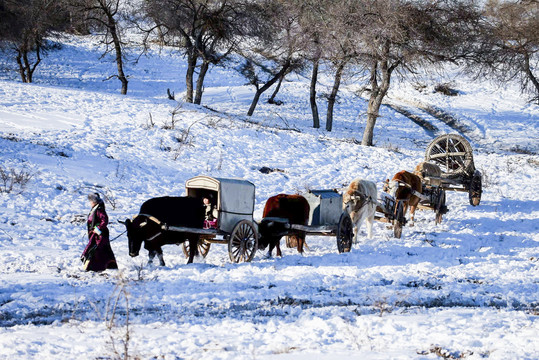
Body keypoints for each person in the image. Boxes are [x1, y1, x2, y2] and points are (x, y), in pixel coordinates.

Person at [81, 193, 118, 271]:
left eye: (91, 201)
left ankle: (95, 267)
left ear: (94, 202)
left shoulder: (99, 209)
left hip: (100, 234)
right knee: (101, 250)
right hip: (96, 233)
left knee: (97, 250)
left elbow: (104, 220)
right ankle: (108, 265)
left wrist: (98, 228)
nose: (90, 203)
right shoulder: (95, 209)